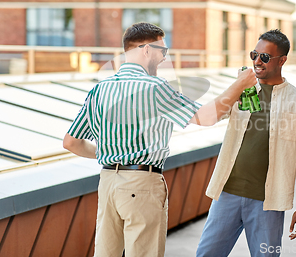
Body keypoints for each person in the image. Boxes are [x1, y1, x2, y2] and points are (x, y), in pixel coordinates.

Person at [63, 22, 256, 257]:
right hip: (142, 184)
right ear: (146, 49)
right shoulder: (155, 87)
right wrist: (241, 84)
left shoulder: (100, 89)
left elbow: (71, 142)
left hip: (108, 184)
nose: (164, 58)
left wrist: (110, 154)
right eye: (162, 51)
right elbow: (205, 117)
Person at [196, 29, 296, 257]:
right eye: (254, 54)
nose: (257, 62)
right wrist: (235, 88)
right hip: (227, 194)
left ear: (282, 61)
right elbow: (210, 116)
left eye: (265, 57)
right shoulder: (242, 89)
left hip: (268, 202)